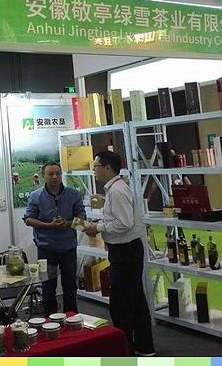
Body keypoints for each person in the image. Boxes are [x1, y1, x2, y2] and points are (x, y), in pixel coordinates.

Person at [83, 151, 155, 356]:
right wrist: (100, 225)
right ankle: (144, 346)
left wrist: (98, 228)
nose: (94, 170)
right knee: (135, 298)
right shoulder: (117, 188)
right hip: (126, 250)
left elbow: (124, 223)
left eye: (96, 166)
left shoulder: (117, 191)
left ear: (107, 167)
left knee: (121, 302)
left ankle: (126, 349)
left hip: (125, 251)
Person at [23, 161, 84, 315]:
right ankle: (50, 321)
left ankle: (72, 319)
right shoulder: (35, 196)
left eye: (58, 173)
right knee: (48, 287)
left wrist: (68, 223)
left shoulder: (73, 194)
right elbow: (28, 219)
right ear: (43, 176)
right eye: (51, 174)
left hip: (68, 247)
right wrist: (48, 225)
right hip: (46, 248)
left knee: (70, 286)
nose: (55, 177)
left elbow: (82, 218)